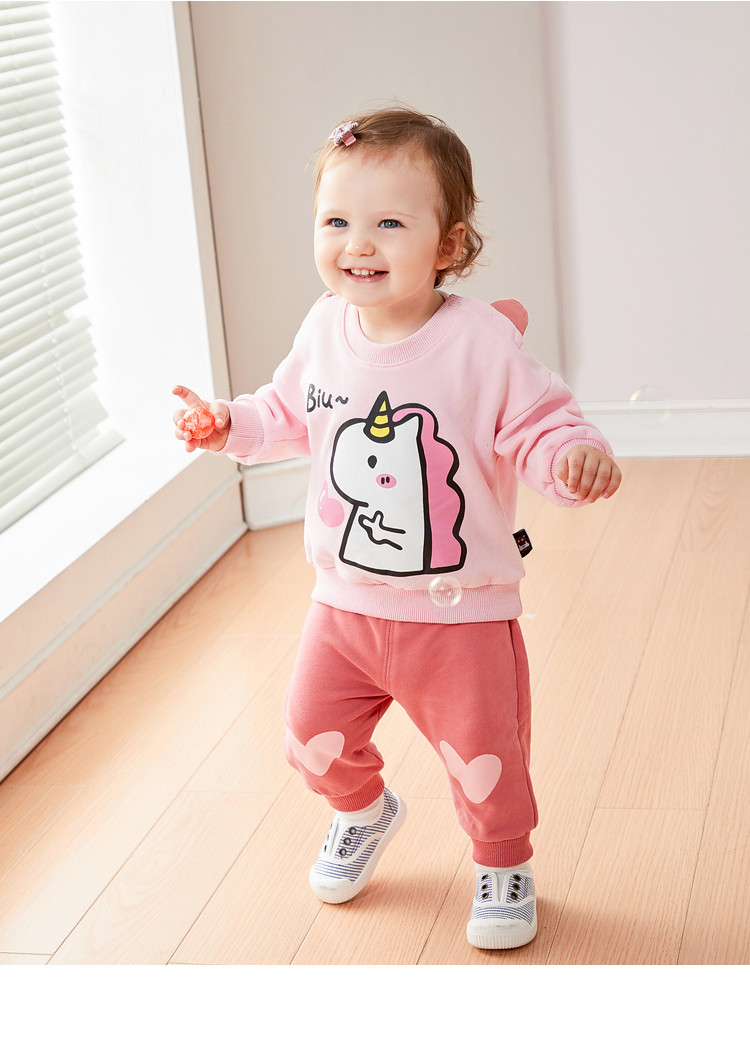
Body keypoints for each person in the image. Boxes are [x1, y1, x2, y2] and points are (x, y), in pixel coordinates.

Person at [172, 106, 621, 951]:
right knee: (308, 739)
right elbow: (286, 412)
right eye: (336, 222)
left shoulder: (480, 342)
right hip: (343, 606)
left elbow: (539, 422)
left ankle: (502, 861)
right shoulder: (323, 327)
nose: (358, 244)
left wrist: (571, 456)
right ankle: (364, 811)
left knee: (485, 759)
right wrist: (228, 424)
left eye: (388, 224)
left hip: (459, 615)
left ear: (448, 245)